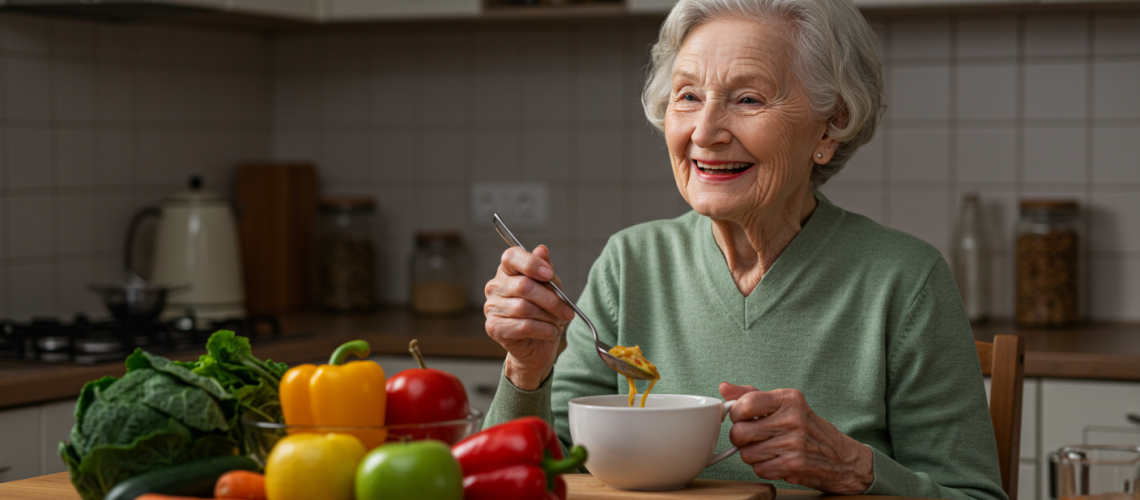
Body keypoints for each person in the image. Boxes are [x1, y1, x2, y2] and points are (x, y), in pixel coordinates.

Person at [481, 0, 1006, 498]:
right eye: (688, 96)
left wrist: (853, 468)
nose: (705, 132)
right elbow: (532, 473)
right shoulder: (632, 262)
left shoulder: (905, 280)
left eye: (748, 99)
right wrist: (527, 369)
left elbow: (973, 494)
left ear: (832, 125)